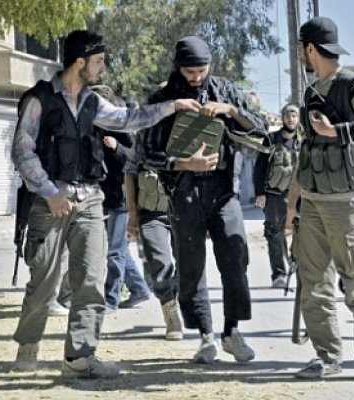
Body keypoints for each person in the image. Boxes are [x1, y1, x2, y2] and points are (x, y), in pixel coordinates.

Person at [10, 30, 200, 378]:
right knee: (44, 282)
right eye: (98, 61)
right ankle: (28, 345)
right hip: (49, 203)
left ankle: (80, 358)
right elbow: (23, 151)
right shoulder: (39, 100)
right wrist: (49, 192)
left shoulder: (91, 102)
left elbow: (127, 119)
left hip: (89, 201)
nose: (103, 67)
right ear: (80, 62)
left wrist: (171, 106)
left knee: (91, 281)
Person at [143, 36, 268, 364]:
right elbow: (147, 153)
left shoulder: (226, 90)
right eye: (190, 72)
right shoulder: (163, 99)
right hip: (184, 191)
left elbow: (260, 130)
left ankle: (232, 332)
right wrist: (184, 164)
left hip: (224, 191)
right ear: (178, 67)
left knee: (236, 258)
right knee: (191, 267)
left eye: (202, 70)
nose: (197, 77)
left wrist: (229, 110)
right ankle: (206, 337)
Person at [286, 17, 354, 384]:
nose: (299, 55)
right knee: (313, 282)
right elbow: (306, 150)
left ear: (310, 49)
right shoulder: (311, 91)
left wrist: (339, 131)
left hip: (348, 203)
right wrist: (293, 204)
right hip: (314, 201)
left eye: (301, 49)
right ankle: (326, 357)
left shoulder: (352, 85)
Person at [92, 85, 152, 313]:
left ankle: (111, 300)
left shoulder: (121, 125)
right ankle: (139, 289)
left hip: (122, 197)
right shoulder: (95, 125)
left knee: (115, 251)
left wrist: (116, 147)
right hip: (106, 195)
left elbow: (135, 159)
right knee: (118, 249)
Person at [124, 128, 183, 340]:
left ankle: (177, 295)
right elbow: (130, 173)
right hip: (151, 214)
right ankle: (171, 313)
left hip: (183, 213)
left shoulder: (187, 132)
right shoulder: (145, 136)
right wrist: (132, 214)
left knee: (188, 267)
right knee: (160, 265)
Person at [254, 104, 302, 288]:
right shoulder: (271, 139)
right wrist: (260, 193)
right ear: (283, 118)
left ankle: (298, 267)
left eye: (294, 116)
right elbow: (260, 167)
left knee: (303, 233)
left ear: (298, 118)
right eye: (287, 116)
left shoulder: (304, 140)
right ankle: (279, 274)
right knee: (274, 234)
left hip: (300, 196)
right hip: (275, 195)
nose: (291, 119)